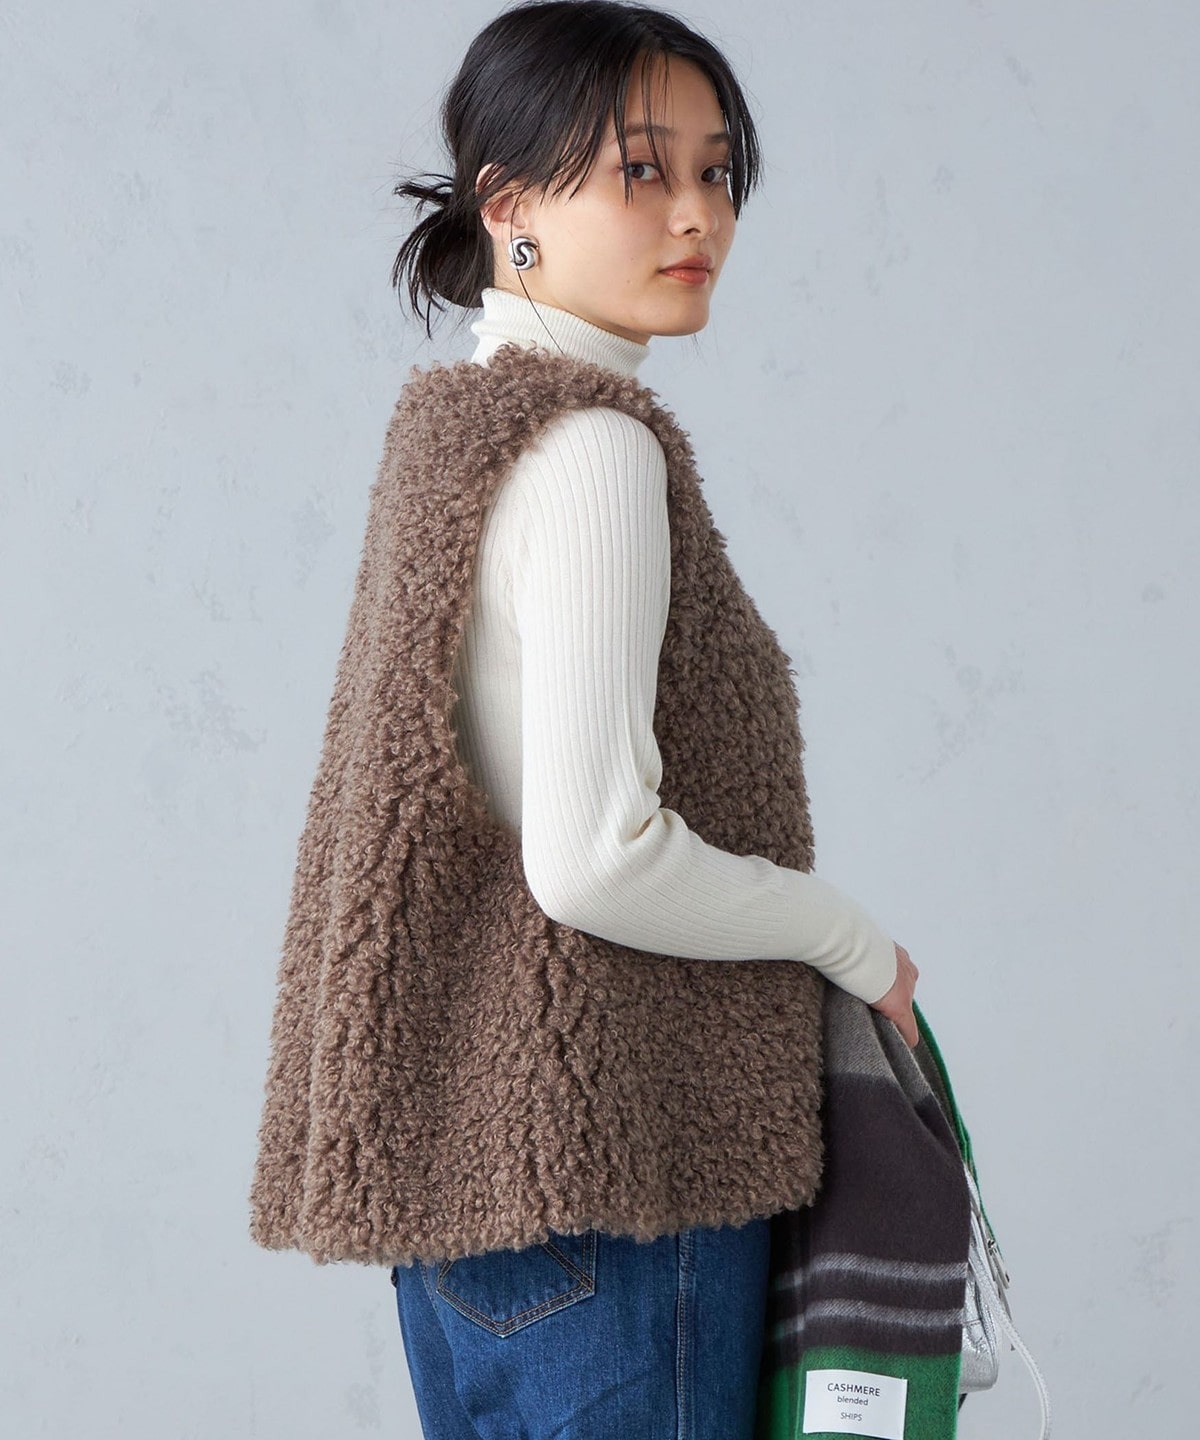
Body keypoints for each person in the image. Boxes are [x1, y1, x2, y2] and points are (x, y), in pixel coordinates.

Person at [248, 3, 918, 1437]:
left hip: (472, 1194)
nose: (698, 213)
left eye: (719, 172)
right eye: (642, 170)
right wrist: (854, 944)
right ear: (510, 208)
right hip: (620, 1175)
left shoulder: (454, 429)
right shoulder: (596, 451)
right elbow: (598, 859)